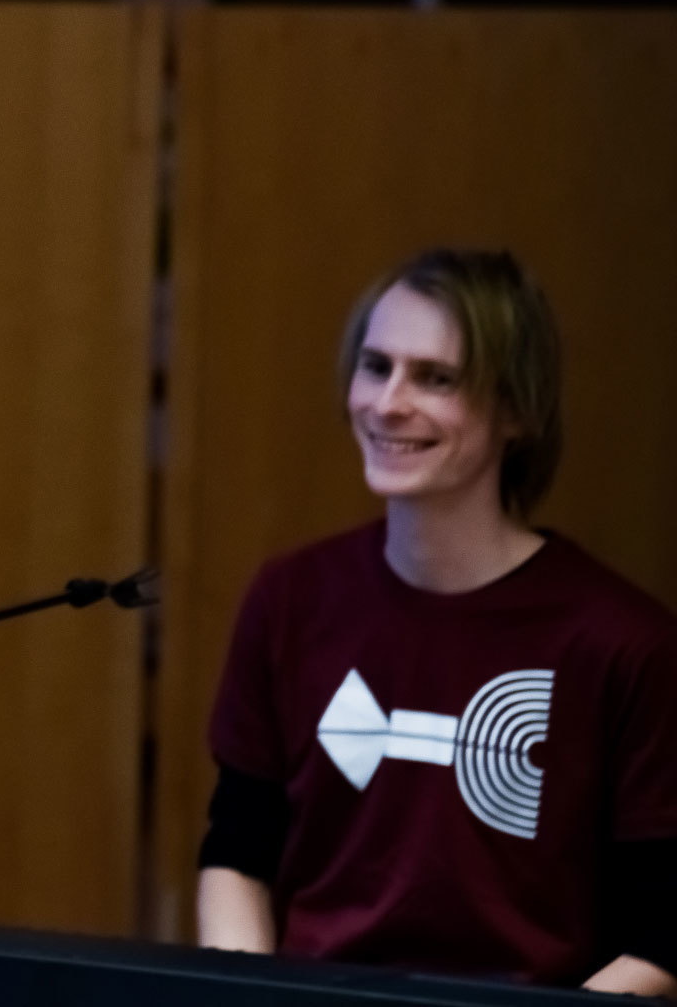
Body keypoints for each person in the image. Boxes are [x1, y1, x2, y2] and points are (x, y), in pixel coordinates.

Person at [196, 250, 677, 996]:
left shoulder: (626, 644)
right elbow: (239, 850)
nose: (388, 403)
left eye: (436, 378)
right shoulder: (290, 598)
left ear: (517, 409)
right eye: (375, 365)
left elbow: (663, 929)